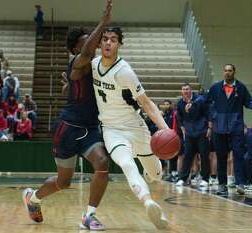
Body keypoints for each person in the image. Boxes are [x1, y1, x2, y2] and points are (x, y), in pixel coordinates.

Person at [74, 4, 170, 229]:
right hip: (111, 130)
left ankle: (151, 174)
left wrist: (165, 129)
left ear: (119, 44)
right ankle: (148, 202)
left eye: (113, 39)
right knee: (127, 164)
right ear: (100, 43)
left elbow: (146, 103)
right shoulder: (93, 65)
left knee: (156, 174)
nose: (108, 42)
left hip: (136, 128)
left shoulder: (125, 71)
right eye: (105, 38)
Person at [22, 2, 111, 230]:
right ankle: (33, 198)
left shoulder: (98, 67)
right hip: (68, 129)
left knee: (102, 163)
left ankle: (89, 215)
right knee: (64, 182)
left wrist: (69, 87)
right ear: (75, 50)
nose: (93, 43)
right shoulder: (77, 61)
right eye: (85, 42)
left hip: (90, 130)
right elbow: (87, 53)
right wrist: (102, 23)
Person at [194, 64, 252, 195]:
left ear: (234, 72)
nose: (227, 73)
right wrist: (192, 103)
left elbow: (249, 102)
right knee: (221, 156)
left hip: (236, 127)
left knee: (238, 155)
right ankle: (222, 184)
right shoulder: (216, 87)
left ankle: (240, 184)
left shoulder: (241, 87)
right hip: (219, 127)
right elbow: (204, 99)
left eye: (230, 71)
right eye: (225, 71)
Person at [175, 83, 211, 189]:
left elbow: (208, 114)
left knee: (204, 156)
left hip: (202, 131)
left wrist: (209, 129)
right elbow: (180, 118)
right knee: (187, 156)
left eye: (187, 89)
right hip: (190, 133)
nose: (185, 91)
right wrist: (183, 129)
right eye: (183, 89)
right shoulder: (180, 103)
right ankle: (183, 178)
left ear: (191, 90)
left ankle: (205, 179)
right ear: (181, 92)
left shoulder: (200, 100)